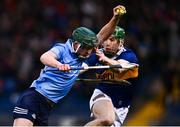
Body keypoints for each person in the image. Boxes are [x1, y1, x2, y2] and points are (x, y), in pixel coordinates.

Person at [12, 5, 126, 126]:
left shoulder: (82, 53)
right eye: (86, 48)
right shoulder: (62, 49)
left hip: (47, 107)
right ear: (76, 44)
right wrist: (59, 65)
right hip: (33, 98)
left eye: (90, 48)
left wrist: (115, 18)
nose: (89, 52)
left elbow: (103, 35)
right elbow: (44, 57)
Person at [83, 26, 139, 126]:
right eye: (105, 39)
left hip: (122, 106)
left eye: (112, 40)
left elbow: (119, 67)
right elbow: (81, 68)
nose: (107, 43)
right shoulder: (97, 55)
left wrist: (105, 59)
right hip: (102, 95)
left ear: (121, 42)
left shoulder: (129, 56)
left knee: (108, 122)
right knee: (107, 119)